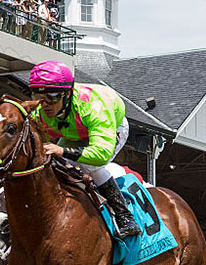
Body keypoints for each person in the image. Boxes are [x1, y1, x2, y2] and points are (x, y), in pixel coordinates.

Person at [26, 60, 140, 238]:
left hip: (111, 127)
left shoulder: (93, 107)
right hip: (75, 131)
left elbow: (100, 154)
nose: (45, 104)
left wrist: (62, 151)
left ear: (68, 94)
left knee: (90, 166)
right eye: (39, 97)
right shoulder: (41, 111)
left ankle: (125, 216)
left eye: (52, 96)